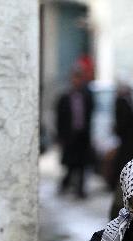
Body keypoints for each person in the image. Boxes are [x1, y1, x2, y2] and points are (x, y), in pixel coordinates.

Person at [55, 66, 94, 198]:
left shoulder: (87, 96)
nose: (77, 80)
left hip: (83, 135)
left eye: (79, 78)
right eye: (75, 78)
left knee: (82, 164)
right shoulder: (65, 98)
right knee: (71, 165)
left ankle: (81, 190)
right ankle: (64, 184)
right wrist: (60, 136)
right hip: (70, 136)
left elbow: (90, 114)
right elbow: (60, 118)